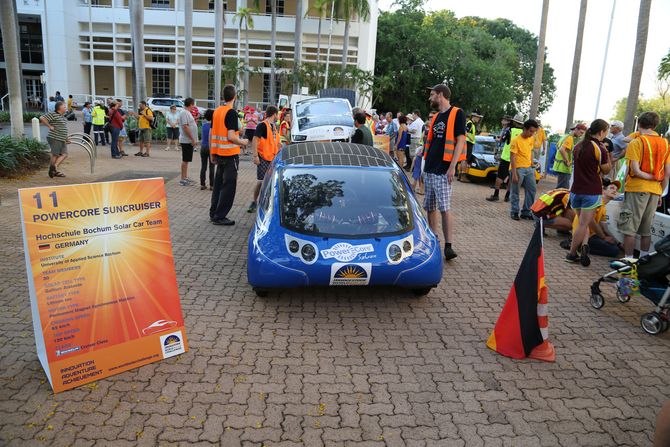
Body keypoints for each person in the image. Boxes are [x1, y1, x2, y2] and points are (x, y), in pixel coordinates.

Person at [423, 84, 467, 261]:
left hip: (443, 170)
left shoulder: (457, 113)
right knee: (430, 207)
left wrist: (452, 167)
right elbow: (432, 142)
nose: (430, 98)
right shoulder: (436, 117)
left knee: (444, 208)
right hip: (430, 168)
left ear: (441, 95)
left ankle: (448, 246)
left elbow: (461, 140)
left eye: (432, 95)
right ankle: (434, 240)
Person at [618, 112, 670, 258]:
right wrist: (659, 191)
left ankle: (628, 263)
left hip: (637, 189)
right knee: (646, 230)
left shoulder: (636, 142)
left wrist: (651, 177)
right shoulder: (665, 144)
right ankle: (643, 260)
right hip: (655, 191)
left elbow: (635, 170)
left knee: (630, 229)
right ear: (655, 125)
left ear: (639, 123)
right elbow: (667, 173)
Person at [566, 119, 612, 266]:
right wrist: (609, 159)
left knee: (582, 222)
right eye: (606, 132)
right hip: (591, 191)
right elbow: (606, 170)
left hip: (576, 190)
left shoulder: (578, 145)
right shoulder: (600, 148)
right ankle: (572, 254)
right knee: (583, 223)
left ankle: (584, 244)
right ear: (601, 132)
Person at [209, 85, 249, 226]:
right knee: (229, 187)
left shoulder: (217, 111)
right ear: (235, 97)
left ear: (223, 96)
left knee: (219, 185)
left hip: (219, 154)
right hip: (230, 155)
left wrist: (212, 153)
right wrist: (243, 141)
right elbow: (231, 136)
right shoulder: (231, 113)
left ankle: (214, 213)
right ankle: (220, 216)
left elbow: (212, 133)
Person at [562, 178, 621, 258]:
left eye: (616, 190)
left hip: (592, 235)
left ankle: (577, 244)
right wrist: (603, 237)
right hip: (584, 234)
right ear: (603, 191)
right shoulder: (598, 202)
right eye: (611, 188)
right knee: (614, 251)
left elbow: (604, 227)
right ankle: (578, 245)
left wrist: (616, 241)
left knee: (614, 246)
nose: (615, 191)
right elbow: (591, 221)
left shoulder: (603, 206)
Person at [248, 105, 281, 213]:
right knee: (262, 181)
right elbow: (255, 140)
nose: (278, 116)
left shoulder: (274, 126)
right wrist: (255, 156)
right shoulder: (263, 125)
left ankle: (266, 203)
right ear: (274, 114)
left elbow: (275, 142)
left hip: (273, 159)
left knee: (270, 182)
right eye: (277, 114)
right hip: (263, 158)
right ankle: (254, 201)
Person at [509, 119, 540, 221]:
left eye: (534, 132)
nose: (532, 134)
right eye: (531, 131)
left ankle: (526, 212)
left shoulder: (531, 139)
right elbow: (512, 157)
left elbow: (530, 152)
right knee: (515, 191)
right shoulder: (515, 140)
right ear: (525, 129)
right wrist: (514, 173)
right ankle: (514, 211)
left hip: (529, 169)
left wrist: (532, 166)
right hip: (517, 169)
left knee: (532, 190)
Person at [486, 115, 518, 202]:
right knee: (511, 178)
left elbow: (502, 140)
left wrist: (498, 139)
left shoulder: (509, 130)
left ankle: (496, 195)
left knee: (500, 176)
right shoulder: (523, 132)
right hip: (516, 159)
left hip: (506, 157)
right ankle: (507, 196)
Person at [39, 101, 70, 178]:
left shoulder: (62, 116)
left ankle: (54, 168)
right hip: (55, 137)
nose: (66, 108)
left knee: (64, 154)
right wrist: (49, 126)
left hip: (61, 138)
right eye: (64, 106)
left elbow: (63, 128)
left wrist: (66, 138)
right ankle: (53, 170)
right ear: (59, 107)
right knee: (55, 154)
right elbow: (42, 118)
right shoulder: (53, 114)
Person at [552, 123, 587, 189]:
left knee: (561, 188)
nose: (581, 135)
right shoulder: (570, 138)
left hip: (560, 166)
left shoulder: (565, 136)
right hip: (564, 167)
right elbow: (562, 149)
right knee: (563, 189)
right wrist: (567, 161)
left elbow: (558, 146)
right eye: (581, 132)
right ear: (576, 129)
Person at [178, 98, 199, 186]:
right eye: (193, 104)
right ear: (190, 104)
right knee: (185, 159)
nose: (194, 106)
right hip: (186, 140)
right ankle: (183, 178)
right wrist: (192, 139)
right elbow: (185, 127)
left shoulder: (186, 112)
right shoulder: (184, 113)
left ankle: (185, 177)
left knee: (187, 159)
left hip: (188, 140)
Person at [461, 111, 482, 182]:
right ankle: (463, 176)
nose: (479, 119)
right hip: (468, 142)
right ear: (474, 117)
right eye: (478, 117)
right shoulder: (470, 123)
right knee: (465, 159)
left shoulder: (471, 124)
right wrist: (470, 138)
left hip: (468, 142)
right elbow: (465, 132)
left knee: (464, 158)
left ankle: (461, 175)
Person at [200, 109, 215, 191]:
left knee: (203, 166)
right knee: (212, 166)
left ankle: (202, 184)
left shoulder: (203, 125)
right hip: (211, 147)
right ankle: (212, 185)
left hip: (203, 146)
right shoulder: (214, 126)